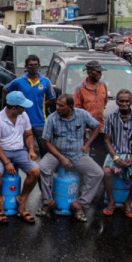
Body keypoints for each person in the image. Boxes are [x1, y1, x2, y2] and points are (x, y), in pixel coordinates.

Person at [38, 94, 103, 222]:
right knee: (42, 168)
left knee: (98, 173)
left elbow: (97, 126)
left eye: (61, 106)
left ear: (70, 106)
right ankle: (48, 201)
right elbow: (47, 142)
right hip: (56, 153)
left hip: (77, 153)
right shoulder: (52, 118)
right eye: (57, 104)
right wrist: (61, 158)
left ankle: (80, 203)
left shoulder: (82, 114)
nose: (57, 108)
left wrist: (87, 144)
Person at [0, 91, 40, 224]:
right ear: (14, 108)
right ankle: (0, 202)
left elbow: (29, 134)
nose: (25, 108)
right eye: (22, 106)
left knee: (35, 171)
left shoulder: (23, 116)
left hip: (19, 151)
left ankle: (22, 199)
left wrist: (31, 150)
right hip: (1, 151)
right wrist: (6, 163)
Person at [102, 90, 132, 218]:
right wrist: (115, 157)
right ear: (117, 102)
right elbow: (107, 140)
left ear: (131, 102)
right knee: (106, 172)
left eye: (127, 101)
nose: (124, 103)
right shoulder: (110, 117)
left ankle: (127, 203)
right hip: (115, 152)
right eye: (121, 101)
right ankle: (111, 202)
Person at [5, 54, 56, 156]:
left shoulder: (45, 82)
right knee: (22, 150)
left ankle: (44, 171)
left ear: (39, 66)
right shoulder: (19, 81)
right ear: (26, 66)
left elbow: (53, 98)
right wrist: (15, 104)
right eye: (30, 65)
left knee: (45, 150)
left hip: (40, 121)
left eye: (35, 64)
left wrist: (42, 105)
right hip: (21, 121)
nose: (33, 67)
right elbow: (5, 90)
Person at [74, 60, 108, 165]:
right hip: (88, 129)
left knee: (101, 154)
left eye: (100, 72)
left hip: (101, 128)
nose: (100, 75)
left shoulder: (103, 85)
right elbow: (77, 109)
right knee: (87, 155)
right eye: (97, 72)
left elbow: (105, 102)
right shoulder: (80, 89)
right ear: (89, 72)